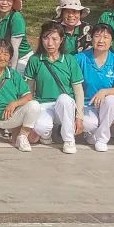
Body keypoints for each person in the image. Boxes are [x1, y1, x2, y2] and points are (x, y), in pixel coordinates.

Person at [23, 22, 84, 154]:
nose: (50, 43)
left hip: (65, 106)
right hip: (44, 104)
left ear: (61, 40)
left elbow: (78, 91)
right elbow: (29, 90)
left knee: (64, 99)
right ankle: (46, 135)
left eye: (54, 39)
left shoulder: (69, 60)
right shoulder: (35, 60)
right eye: (46, 38)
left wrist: (79, 117)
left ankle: (69, 140)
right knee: (41, 127)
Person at [75, 24, 114, 152]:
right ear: (91, 38)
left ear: (112, 41)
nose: (101, 40)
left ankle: (102, 139)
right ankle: (92, 132)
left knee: (111, 100)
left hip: (107, 105)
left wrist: (104, 92)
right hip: (86, 105)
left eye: (106, 37)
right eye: (97, 36)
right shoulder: (80, 58)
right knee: (89, 124)